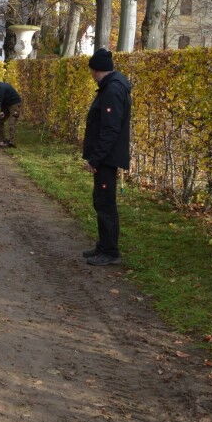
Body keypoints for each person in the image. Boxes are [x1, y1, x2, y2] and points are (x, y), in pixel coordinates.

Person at [81, 48, 131, 266]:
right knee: (101, 202)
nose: (92, 75)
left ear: (96, 70)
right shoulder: (111, 87)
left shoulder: (112, 90)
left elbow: (109, 129)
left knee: (105, 204)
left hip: (107, 159)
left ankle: (110, 252)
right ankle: (103, 246)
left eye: (92, 71)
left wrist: (95, 159)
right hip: (105, 157)